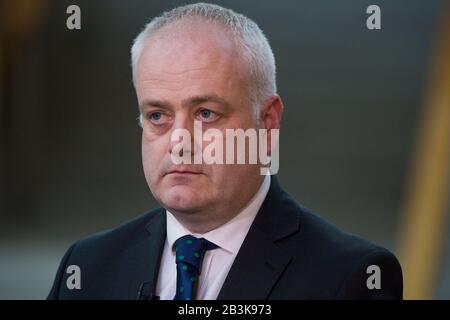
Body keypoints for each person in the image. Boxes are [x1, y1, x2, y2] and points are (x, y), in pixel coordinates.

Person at [48, 3, 402, 300]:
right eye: (157, 116)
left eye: (205, 114)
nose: (179, 141)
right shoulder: (87, 267)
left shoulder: (351, 277)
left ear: (267, 123)